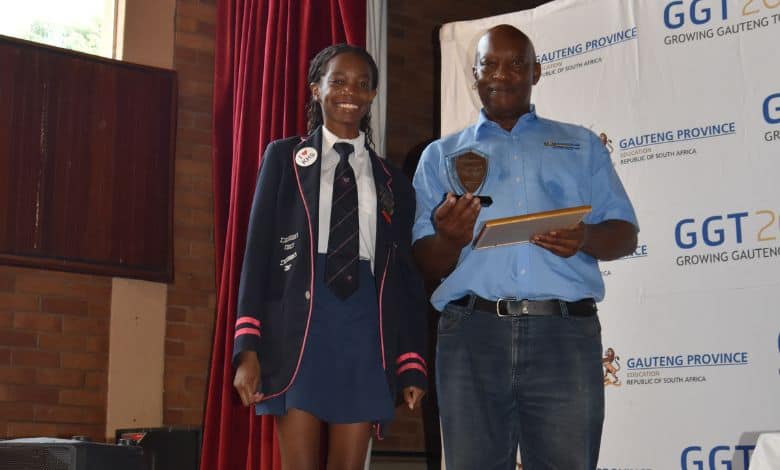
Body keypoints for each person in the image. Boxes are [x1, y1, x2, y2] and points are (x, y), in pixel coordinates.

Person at [411, 25, 638, 470]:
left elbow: (624, 234)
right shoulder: (440, 155)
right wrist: (450, 239)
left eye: (517, 63)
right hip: (472, 335)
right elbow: (425, 262)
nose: (502, 74)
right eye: (489, 64)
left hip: (564, 336)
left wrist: (584, 238)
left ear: (536, 71)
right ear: (475, 74)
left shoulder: (582, 144)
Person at [232, 44, 427, 470]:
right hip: (300, 326)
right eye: (337, 81)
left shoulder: (392, 180)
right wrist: (247, 347)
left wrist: (411, 361)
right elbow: (257, 255)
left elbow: (404, 277)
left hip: (364, 325)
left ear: (373, 94)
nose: (349, 92)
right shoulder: (283, 158)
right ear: (316, 89)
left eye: (362, 84)